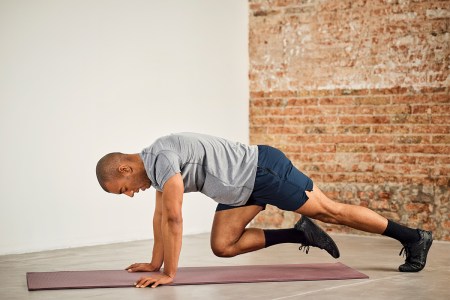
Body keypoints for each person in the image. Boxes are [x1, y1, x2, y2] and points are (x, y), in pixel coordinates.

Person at [96, 132, 433, 288]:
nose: (129, 195)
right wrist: (155, 263)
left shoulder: (162, 157)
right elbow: (160, 217)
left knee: (331, 211)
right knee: (223, 246)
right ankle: (298, 232)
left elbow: (173, 218)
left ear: (125, 169)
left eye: (123, 190)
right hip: (238, 187)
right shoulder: (155, 167)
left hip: (262, 171)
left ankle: (414, 237)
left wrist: (170, 273)